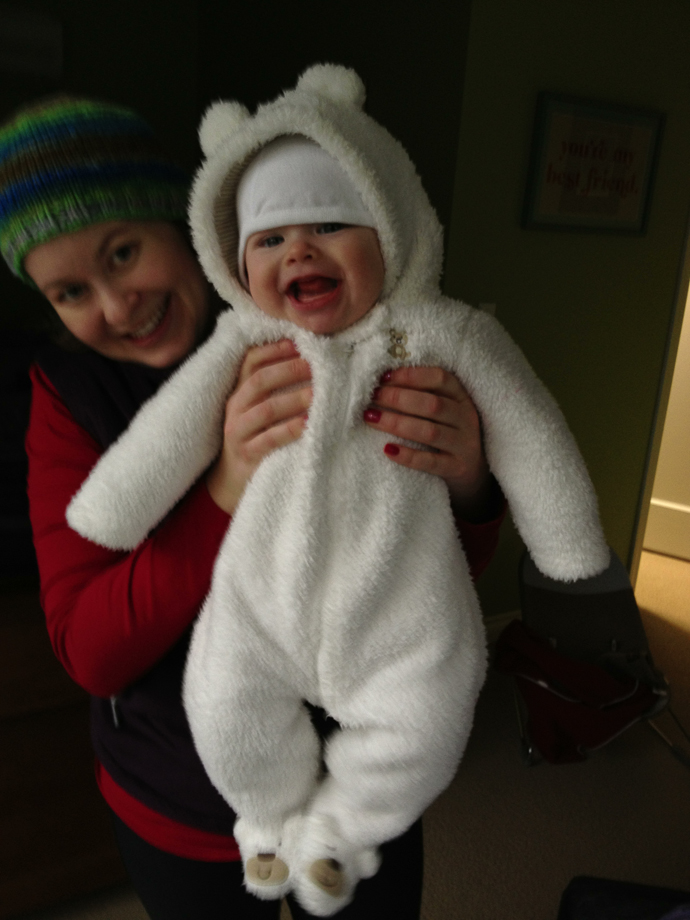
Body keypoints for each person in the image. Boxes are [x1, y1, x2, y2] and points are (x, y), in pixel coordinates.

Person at [64, 65, 607, 918]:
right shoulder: (242, 345)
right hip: (261, 601)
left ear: (392, 227)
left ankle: (341, 834)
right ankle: (270, 820)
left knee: (430, 720)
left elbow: (531, 430)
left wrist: (563, 540)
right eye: (271, 239)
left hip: (399, 604)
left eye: (328, 224)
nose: (300, 252)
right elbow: (162, 440)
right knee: (223, 700)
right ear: (234, 259)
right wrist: (112, 509)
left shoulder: (445, 334)